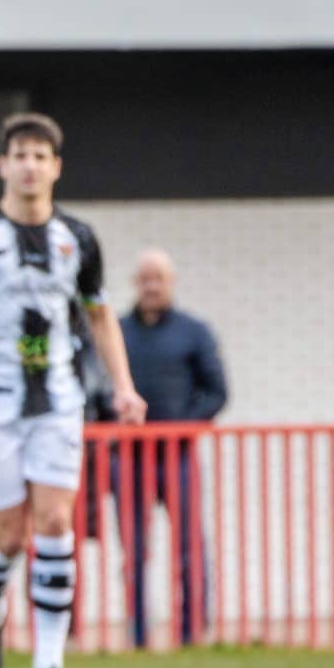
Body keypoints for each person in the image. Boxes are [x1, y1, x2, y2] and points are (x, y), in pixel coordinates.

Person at [0, 112, 146, 668]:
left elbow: (100, 315)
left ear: (55, 167)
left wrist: (124, 386)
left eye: (41, 156)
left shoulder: (79, 239)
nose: (30, 165)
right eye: (20, 155)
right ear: (4, 165)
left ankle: (49, 665)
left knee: (55, 522)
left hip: (59, 400)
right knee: (9, 532)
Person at [119, 248, 227, 645]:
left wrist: (184, 426)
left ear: (170, 283)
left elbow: (217, 392)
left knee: (189, 544)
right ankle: (139, 634)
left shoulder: (193, 331)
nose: (151, 286)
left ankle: (193, 630)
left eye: (158, 278)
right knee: (134, 549)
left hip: (178, 455)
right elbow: (99, 387)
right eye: (145, 278)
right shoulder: (118, 332)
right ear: (135, 283)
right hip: (128, 457)